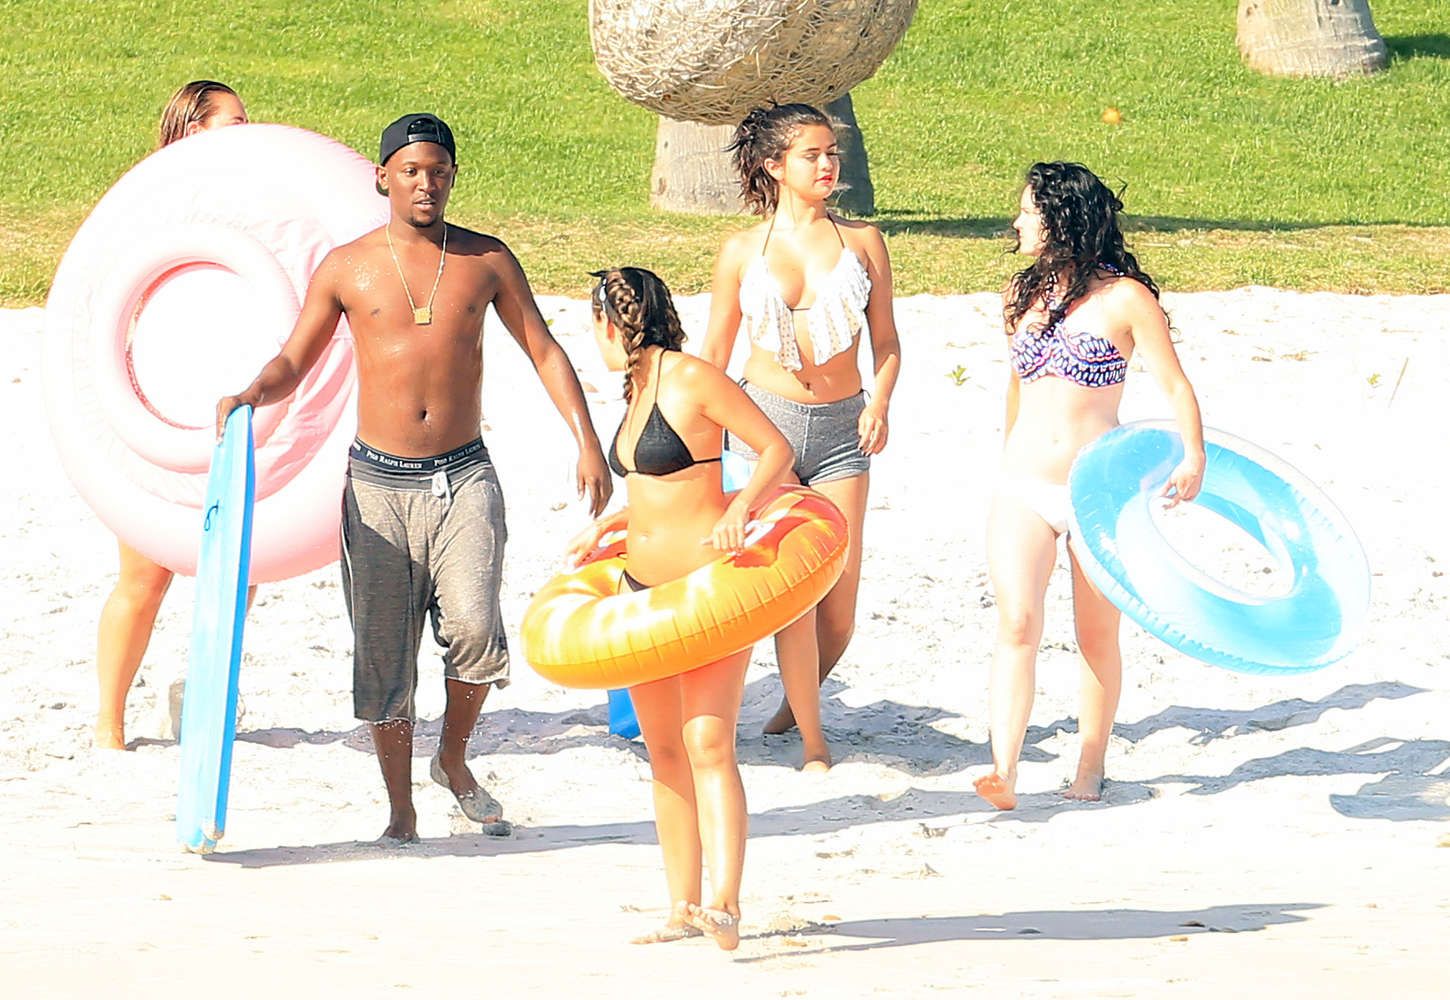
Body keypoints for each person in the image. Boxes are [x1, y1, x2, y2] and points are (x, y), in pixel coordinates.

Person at [216, 113, 612, 843]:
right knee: (383, 654)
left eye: (438, 171)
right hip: (378, 486)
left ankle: (453, 759)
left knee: (476, 630)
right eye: (411, 171)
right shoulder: (347, 267)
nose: (425, 183)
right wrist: (249, 394)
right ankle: (400, 811)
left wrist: (586, 439)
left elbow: (544, 349)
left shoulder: (486, 259)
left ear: (453, 177)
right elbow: (294, 360)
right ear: (383, 178)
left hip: (464, 476)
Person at [567, 267, 793, 949]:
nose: (595, 343)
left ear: (613, 323)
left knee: (708, 741)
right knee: (663, 748)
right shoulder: (635, 390)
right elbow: (656, 488)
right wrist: (611, 525)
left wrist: (741, 509)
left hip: (706, 592)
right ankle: (682, 906)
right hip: (641, 591)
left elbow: (775, 448)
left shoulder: (693, 379)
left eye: (595, 328)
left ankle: (726, 902)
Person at [975, 161, 1205, 810]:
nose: (1017, 222)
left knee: (1095, 635)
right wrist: (1005, 459)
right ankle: (1003, 769)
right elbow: (1017, 388)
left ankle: (1090, 765)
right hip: (1023, 485)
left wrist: (1193, 455)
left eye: (1028, 211)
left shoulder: (1126, 299)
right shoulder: (1021, 296)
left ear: (1061, 218)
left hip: (1095, 491)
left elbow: (1175, 384)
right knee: (1017, 621)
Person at [701, 103, 901, 771]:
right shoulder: (740, 250)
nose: (827, 165)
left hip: (845, 431)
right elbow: (714, 358)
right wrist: (698, 441)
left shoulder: (864, 241)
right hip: (767, 428)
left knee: (838, 608)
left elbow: (887, 342)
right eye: (811, 155)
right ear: (774, 165)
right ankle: (815, 742)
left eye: (831, 153)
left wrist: (881, 402)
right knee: (795, 587)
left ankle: (793, 705)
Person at [95, 80, 251, 750]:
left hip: (231, 400)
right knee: (145, 574)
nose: (249, 130)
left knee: (239, 573)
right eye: (234, 122)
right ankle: (109, 724)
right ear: (192, 130)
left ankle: (200, 696)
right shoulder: (147, 207)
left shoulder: (256, 202)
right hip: (159, 402)